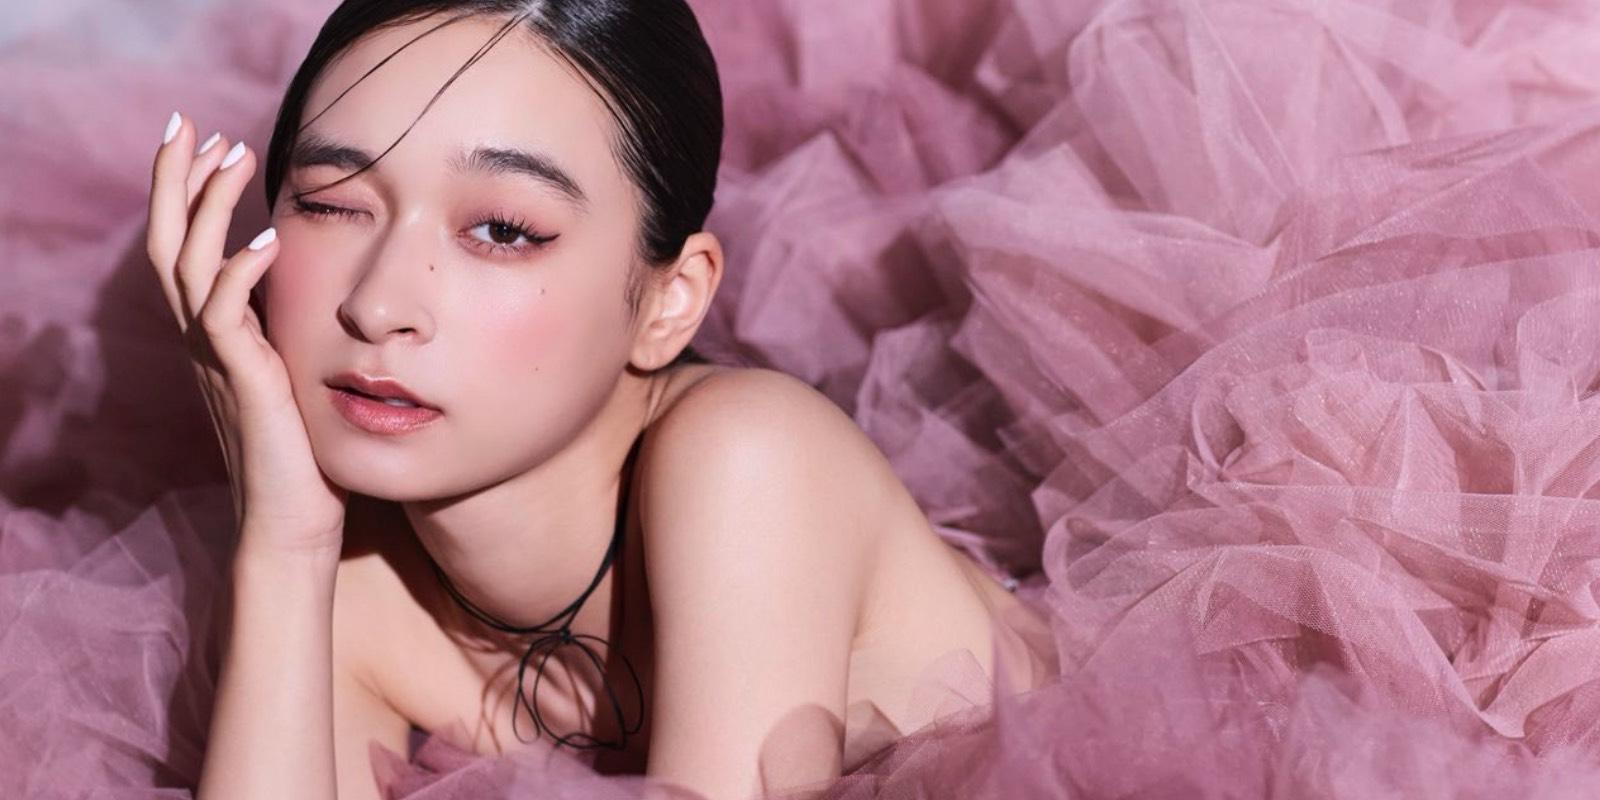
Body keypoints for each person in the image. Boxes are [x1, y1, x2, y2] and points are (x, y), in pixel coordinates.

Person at [143, 2, 1055, 799]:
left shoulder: (750, 461)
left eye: (502, 230)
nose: (378, 305)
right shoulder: (347, 581)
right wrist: (285, 546)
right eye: (334, 204)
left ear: (670, 302)